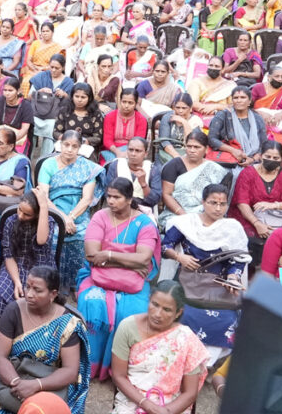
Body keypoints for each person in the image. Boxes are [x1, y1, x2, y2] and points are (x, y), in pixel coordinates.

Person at [76, 177, 161, 380]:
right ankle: (89, 365)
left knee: (134, 313)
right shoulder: (100, 217)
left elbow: (144, 258)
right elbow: (91, 254)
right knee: (92, 303)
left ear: (130, 199)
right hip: (96, 278)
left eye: (117, 197)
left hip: (135, 282)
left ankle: (120, 370)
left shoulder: (144, 223)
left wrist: (108, 255)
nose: (111, 201)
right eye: (109, 196)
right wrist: (129, 260)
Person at [0, 266, 90, 414]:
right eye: (27, 287)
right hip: (14, 379)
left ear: (53, 294)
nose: (29, 294)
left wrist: (36, 385)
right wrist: (18, 385)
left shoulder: (67, 323)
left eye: (37, 290)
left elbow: (70, 371)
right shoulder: (13, 311)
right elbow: (0, 357)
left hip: (51, 384)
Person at [162, 184, 249, 353]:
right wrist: (180, 257)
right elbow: (165, 247)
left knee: (226, 319)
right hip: (187, 283)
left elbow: (238, 260)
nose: (218, 208)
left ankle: (208, 367)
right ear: (203, 202)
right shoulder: (187, 223)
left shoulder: (232, 228)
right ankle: (181, 360)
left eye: (222, 204)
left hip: (219, 287)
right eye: (213, 203)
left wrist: (233, 278)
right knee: (184, 315)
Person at [109, 281, 207, 414]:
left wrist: (166, 411)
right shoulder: (127, 327)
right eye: (155, 304)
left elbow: (190, 393)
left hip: (172, 403)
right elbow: (119, 376)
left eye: (167, 310)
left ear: (178, 312)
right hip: (133, 399)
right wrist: (147, 405)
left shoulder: (186, 338)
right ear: (149, 301)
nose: (157, 314)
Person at [38, 130, 106, 292]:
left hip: (79, 216)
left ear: (80, 148)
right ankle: (50, 283)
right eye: (66, 145)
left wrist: (71, 217)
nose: (69, 149)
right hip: (53, 214)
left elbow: (87, 199)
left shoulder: (87, 168)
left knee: (85, 236)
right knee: (52, 236)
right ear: (60, 145)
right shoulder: (48, 165)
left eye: (74, 146)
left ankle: (78, 285)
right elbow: (43, 196)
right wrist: (63, 218)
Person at [0, 187, 58, 319]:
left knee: (37, 298)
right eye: (19, 209)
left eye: (27, 214)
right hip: (15, 265)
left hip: (41, 267)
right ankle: (5, 330)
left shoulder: (48, 223)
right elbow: (8, 255)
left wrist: (43, 205)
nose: (20, 216)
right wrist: (17, 282)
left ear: (37, 214)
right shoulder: (11, 221)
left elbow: (41, 241)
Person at [229, 140, 282, 246]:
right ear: (260, 156)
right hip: (249, 218)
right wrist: (257, 223)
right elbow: (242, 203)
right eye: (267, 157)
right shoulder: (247, 173)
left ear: (281, 158)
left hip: (278, 218)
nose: (271, 160)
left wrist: (275, 205)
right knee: (254, 239)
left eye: (275, 158)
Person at [160, 130, 228, 225]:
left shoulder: (213, 168)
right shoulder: (173, 165)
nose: (192, 150)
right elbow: (167, 195)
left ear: (206, 149)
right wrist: (184, 216)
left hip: (207, 214)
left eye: (196, 147)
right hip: (178, 215)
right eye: (189, 146)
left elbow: (219, 197)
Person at [206, 86, 268, 167]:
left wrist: (252, 160)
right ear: (232, 101)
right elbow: (211, 139)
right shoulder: (222, 116)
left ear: (249, 101)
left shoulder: (257, 118)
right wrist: (233, 151)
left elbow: (263, 144)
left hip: (253, 162)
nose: (239, 100)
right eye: (236, 98)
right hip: (227, 161)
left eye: (243, 97)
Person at [104, 137, 162, 214]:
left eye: (138, 151)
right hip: (118, 209)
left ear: (145, 154)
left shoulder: (152, 170)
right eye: (130, 150)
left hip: (143, 211)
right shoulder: (116, 165)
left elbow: (154, 200)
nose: (133, 154)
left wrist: (143, 183)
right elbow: (107, 193)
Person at [54, 82, 106, 158]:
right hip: (66, 144)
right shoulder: (65, 110)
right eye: (77, 96)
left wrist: (85, 141)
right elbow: (56, 132)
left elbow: (98, 137)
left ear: (89, 98)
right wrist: (63, 138)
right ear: (72, 96)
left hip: (85, 147)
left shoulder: (95, 113)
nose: (79, 100)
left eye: (83, 97)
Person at [0, 77, 33, 154]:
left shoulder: (26, 105)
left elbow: (24, 129)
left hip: (17, 138)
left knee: (16, 159)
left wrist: (9, 143)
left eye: (10, 90)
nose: (7, 93)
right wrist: (1, 142)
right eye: (5, 90)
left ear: (18, 91)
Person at [251, 65, 282, 141]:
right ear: (269, 77)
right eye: (277, 76)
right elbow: (247, 107)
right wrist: (261, 113)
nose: (280, 79)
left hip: (278, 126)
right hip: (258, 123)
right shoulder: (258, 88)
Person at [185, 55, 234, 127]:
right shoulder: (196, 82)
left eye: (217, 66)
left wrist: (216, 107)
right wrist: (207, 109)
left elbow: (233, 106)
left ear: (223, 69)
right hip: (199, 117)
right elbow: (193, 103)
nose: (213, 68)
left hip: (223, 117)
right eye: (211, 65)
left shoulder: (229, 85)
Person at [102, 90, 148, 163]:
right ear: (120, 101)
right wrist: (118, 152)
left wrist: (127, 153)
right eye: (124, 102)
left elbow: (138, 142)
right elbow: (107, 140)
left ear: (136, 104)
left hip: (133, 151)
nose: (126, 106)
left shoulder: (141, 119)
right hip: (111, 150)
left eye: (130, 103)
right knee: (112, 166)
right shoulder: (110, 116)